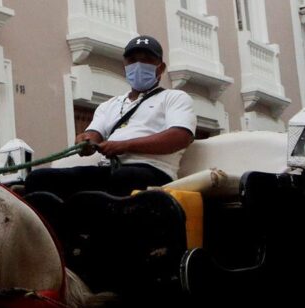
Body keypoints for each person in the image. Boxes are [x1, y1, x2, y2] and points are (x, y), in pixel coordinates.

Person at [25, 35, 197, 200]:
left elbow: (180, 137)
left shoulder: (175, 97)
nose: (138, 65)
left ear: (160, 67)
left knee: (121, 178)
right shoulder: (109, 105)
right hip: (110, 170)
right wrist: (85, 142)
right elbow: (93, 134)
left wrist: (125, 146)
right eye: (132, 60)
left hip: (152, 171)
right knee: (38, 178)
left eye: (146, 60)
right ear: (125, 66)